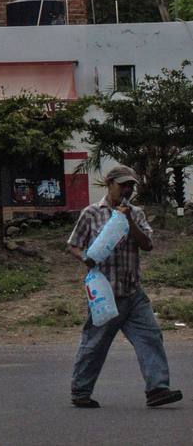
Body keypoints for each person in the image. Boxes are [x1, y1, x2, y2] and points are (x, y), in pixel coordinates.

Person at [66, 164, 182, 408]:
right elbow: (73, 244)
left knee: (150, 337)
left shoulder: (136, 213)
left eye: (131, 185)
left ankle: (157, 389)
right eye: (123, 185)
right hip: (105, 293)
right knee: (95, 344)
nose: (127, 190)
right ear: (110, 184)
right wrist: (84, 257)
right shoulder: (91, 213)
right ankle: (81, 391)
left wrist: (128, 220)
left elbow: (147, 245)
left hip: (132, 291)